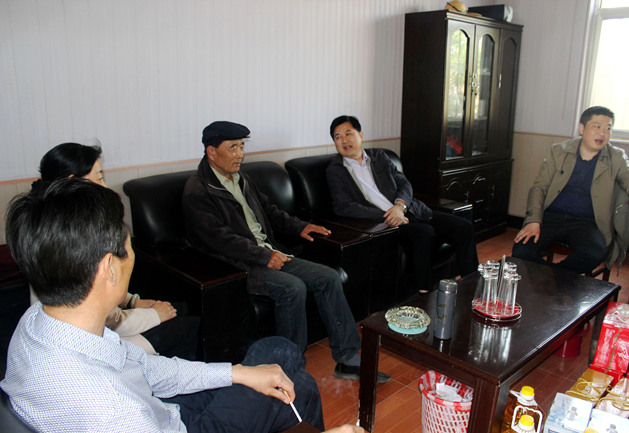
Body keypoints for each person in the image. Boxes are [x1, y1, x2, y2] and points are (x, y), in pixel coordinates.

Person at [1, 178, 364, 433]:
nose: (132, 256)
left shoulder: (36, 323)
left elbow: (147, 369)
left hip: (163, 409)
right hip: (182, 425)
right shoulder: (114, 411)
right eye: (128, 247)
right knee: (298, 381)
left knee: (277, 352)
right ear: (108, 268)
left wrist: (237, 373)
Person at [182, 121, 390, 383]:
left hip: (269, 252)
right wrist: (263, 256)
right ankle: (289, 370)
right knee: (293, 288)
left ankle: (347, 358)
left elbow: (270, 210)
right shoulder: (198, 190)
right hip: (239, 265)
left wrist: (300, 227)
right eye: (233, 148)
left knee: (329, 277)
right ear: (212, 152)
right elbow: (220, 240)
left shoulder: (240, 177)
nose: (240, 154)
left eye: (242, 147)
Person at [34, 142, 200, 359]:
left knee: (180, 308)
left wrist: (133, 302)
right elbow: (107, 319)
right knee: (188, 327)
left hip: (95, 324)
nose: (105, 187)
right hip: (94, 342)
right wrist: (154, 315)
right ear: (73, 182)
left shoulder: (51, 220)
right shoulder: (74, 238)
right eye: (99, 178)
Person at [325, 115, 479, 294]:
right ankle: (424, 293)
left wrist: (400, 206)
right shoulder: (335, 170)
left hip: (412, 210)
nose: (344, 140)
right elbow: (343, 206)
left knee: (464, 227)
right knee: (424, 233)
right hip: (385, 222)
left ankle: (471, 286)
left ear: (361, 135)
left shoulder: (379, 156)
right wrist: (388, 215)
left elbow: (404, 183)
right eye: (337, 137)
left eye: (348, 133)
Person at [513, 106, 629, 273]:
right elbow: (539, 187)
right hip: (551, 217)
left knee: (593, 254)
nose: (603, 133)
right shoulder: (559, 151)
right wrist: (534, 221)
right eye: (597, 126)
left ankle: (549, 277)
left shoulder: (616, 156)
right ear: (582, 128)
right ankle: (556, 278)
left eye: (608, 128)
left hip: (587, 222)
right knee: (521, 250)